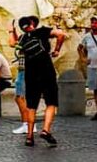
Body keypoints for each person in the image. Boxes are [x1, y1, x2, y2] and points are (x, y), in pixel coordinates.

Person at [10, 15, 66, 147]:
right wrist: (57, 49)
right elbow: (61, 34)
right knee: (51, 102)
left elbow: (12, 43)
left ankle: (29, 136)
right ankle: (46, 130)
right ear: (32, 24)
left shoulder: (23, 38)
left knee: (31, 105)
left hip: (31, 72)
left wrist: (11, 30)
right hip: (46, 68)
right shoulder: (41, 31)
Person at [8, 20, 33, 136]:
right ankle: (30, 124)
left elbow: (12, 43)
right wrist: (14, 31)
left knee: (20, 98)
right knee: (26, 99)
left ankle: (26, 124)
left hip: (24, 70)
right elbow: (19, 41)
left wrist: (9, 31)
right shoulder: (32, 37)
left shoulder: (27, 37)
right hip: (30, 71)